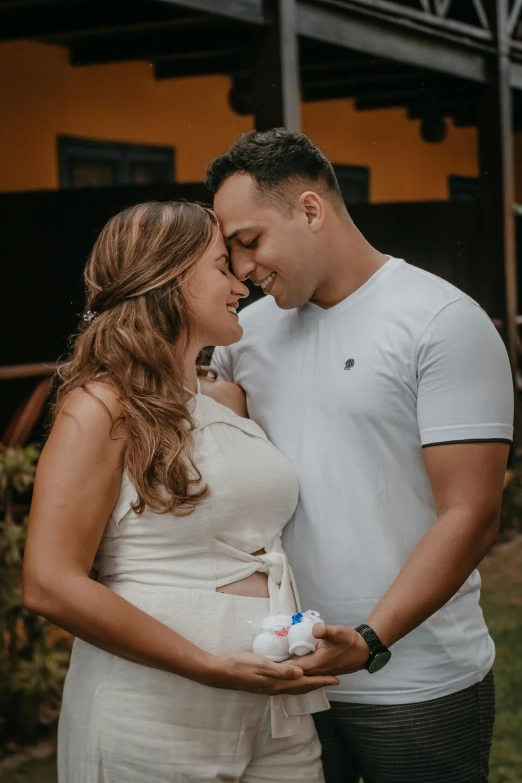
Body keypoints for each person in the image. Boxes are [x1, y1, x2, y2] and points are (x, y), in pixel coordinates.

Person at [207, 129, 514, 783]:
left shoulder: (441, 321)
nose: (240, 269)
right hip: (289, 682)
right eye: (229, 252)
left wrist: (371, 637)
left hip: (419, 682)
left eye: (249, 241)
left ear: (311, 210)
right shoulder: (242, 338)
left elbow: (472, 512)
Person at [23, 201, 338, 783]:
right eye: (222, 266)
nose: (241, 280)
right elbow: (49, 582)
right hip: (151, 712)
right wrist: (207, 665)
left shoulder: (226, 400)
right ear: (167, 278)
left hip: (275, 709)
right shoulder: (100, 406)